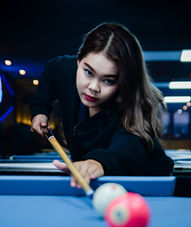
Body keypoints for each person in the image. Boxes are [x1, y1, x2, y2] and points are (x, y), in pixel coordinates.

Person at [30, 22, 174, 188]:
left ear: (123, 83)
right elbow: (52, 70)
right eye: (88, 72)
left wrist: (97, 163)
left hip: (150, 186)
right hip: (99, 184)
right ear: (78, 60)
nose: (93, 87)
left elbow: (128, 147)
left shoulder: (132, 107)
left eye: (108, 80)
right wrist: (40, 110)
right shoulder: (67, 71)